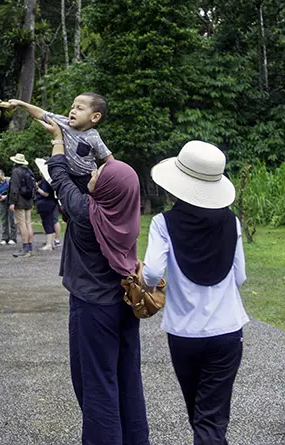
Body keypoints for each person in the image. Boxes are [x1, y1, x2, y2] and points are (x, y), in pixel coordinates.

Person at [40, 118, 150, 445]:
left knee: (96, 384)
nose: (94, 173)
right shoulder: (125, 213)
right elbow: (78, 178)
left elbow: (59, 178)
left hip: (93, 308)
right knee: (127, 378)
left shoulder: (88, 215)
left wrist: (58, 140)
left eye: (100, 173)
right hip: (124, 304)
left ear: (108, 188)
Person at [142, 140, 248, 445]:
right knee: (210, 418)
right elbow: (239, 276)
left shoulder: (164, 223)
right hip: (227, 330)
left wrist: (150, 288)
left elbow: (150, 272)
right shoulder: (232, 221)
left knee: (200, 415)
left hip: (184, 333)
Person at [10, 94, 113, 193]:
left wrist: (100, 174)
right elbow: (42, 114)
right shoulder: (63, 123)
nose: (73, 111)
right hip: (67, 175)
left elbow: (109, 160)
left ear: (95, 117)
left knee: (84, 205)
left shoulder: (93, 137)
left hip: (86, 178)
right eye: (72, 107)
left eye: (79, 108)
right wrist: (21, 104)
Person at [8, 153, 35, 257]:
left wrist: (12, 202)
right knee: (28, 223)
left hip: (19, 201)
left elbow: (14, 188)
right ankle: (30, 248)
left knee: (21, 224)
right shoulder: (29, 171)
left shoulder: (16, 172)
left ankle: (24, 248)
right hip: (29, 201)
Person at [36, 177, 61, 251]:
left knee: (47, 223)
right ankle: (52, 242)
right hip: (52, 202)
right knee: (51, 222)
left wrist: (37, 188)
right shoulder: (51, 179)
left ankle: (49, 244)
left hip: (46, 203)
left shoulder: (46, 181)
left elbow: (46, 193)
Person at [0, 169, 17, 245]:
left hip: (10, 202)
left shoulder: (9, 180)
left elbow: (13, 191)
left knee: (12, 219)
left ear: (3, 175)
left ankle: (13, 238)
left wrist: (5, 197)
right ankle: (5, 238)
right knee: (4, 220)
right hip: (2, 203)